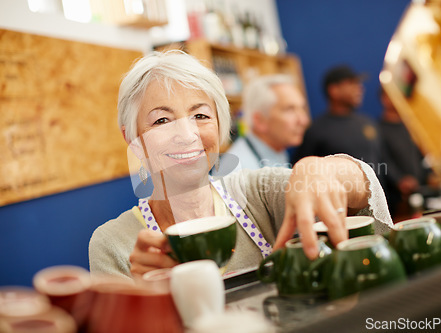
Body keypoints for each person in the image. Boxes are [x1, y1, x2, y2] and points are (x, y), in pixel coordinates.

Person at [88, 50, 393, 280]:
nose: (187, 134)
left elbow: (361, 186)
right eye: (162, 120)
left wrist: (321, 170)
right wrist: (145, 300)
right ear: (133, 139)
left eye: (201, 115)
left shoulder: (256, 193)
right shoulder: (112, 243)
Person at [292, 65, 381, 169]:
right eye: (351, 83)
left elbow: (382, 160)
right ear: (334, 90)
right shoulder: (316, 130)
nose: (360, 88)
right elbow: (301, 170)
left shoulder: (368, 122)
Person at [218, 74, 309, 173]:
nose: (304, 120)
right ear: (260, 121)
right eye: (289, 110)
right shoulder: (236, 171)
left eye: (302, 108)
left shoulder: (277, 149)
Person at [377, 88, 440, 219]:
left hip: (423, 193)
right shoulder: (378, 129)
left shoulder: (412, 125)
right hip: (397, 200)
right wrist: (399, 180)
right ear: (384, 99)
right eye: (392, 94)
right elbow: (382, 158)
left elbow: (422, 154)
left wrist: (430, 174)